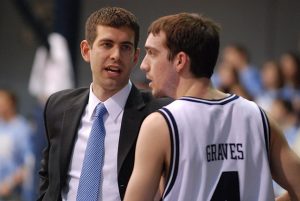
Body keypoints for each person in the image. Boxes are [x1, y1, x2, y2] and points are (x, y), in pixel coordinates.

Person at [124, 12, 300, 201]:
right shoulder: (258, 116)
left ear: (180, 61)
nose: (143, 65)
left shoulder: (160, 125)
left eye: (152, 53)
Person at [38, 7, 171, 201]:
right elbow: (48, 177)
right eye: (107, 44)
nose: (116, 55)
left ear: (135, 56)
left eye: (125, 47)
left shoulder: (158, 112)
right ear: (86, 50)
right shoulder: (58, 105)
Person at [0, 89, 34, 201]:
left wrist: (9, 184)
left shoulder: (22, 129)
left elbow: (29, 163)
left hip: (13, 194)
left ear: (11, 103)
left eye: (2, 100)